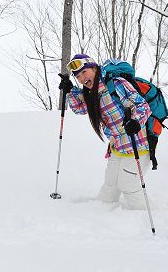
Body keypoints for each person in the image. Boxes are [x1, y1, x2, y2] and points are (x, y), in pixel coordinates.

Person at [58, 54, 152, 209]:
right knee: (110, 185)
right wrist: (70, 90)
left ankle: (148, 217)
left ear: (94, 68)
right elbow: (78, 108)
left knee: (129, 186)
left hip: (137, 145)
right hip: (117, 147)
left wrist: (135, 121)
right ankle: (101, 214)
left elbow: (142, 105)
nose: (81, 79)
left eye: (84, 72)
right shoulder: (91, 94)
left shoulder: (116, 84)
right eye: (78, 76)